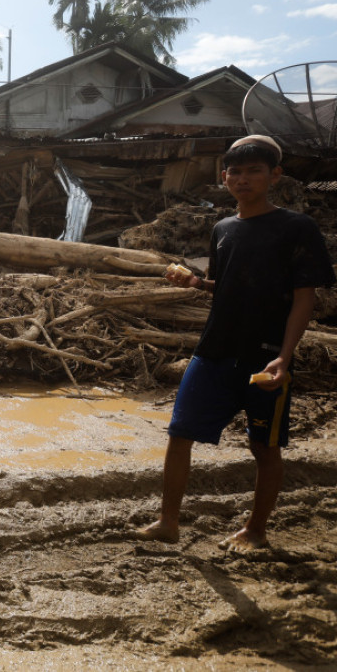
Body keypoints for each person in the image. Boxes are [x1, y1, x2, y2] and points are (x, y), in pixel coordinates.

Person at [137, 134, 335, 551]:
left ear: (275, 175)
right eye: (235, 172)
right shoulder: (223, 228)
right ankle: (168, 522)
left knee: (264, 447)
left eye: (254, 171)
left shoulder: (296, 227)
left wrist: (284, 357)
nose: (243, 179)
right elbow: (226, 285)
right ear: (224, 177)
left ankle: (255, 530)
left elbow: (305, 297)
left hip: (265, 357)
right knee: (179, 434)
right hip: (213, 350)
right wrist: (196, 283)